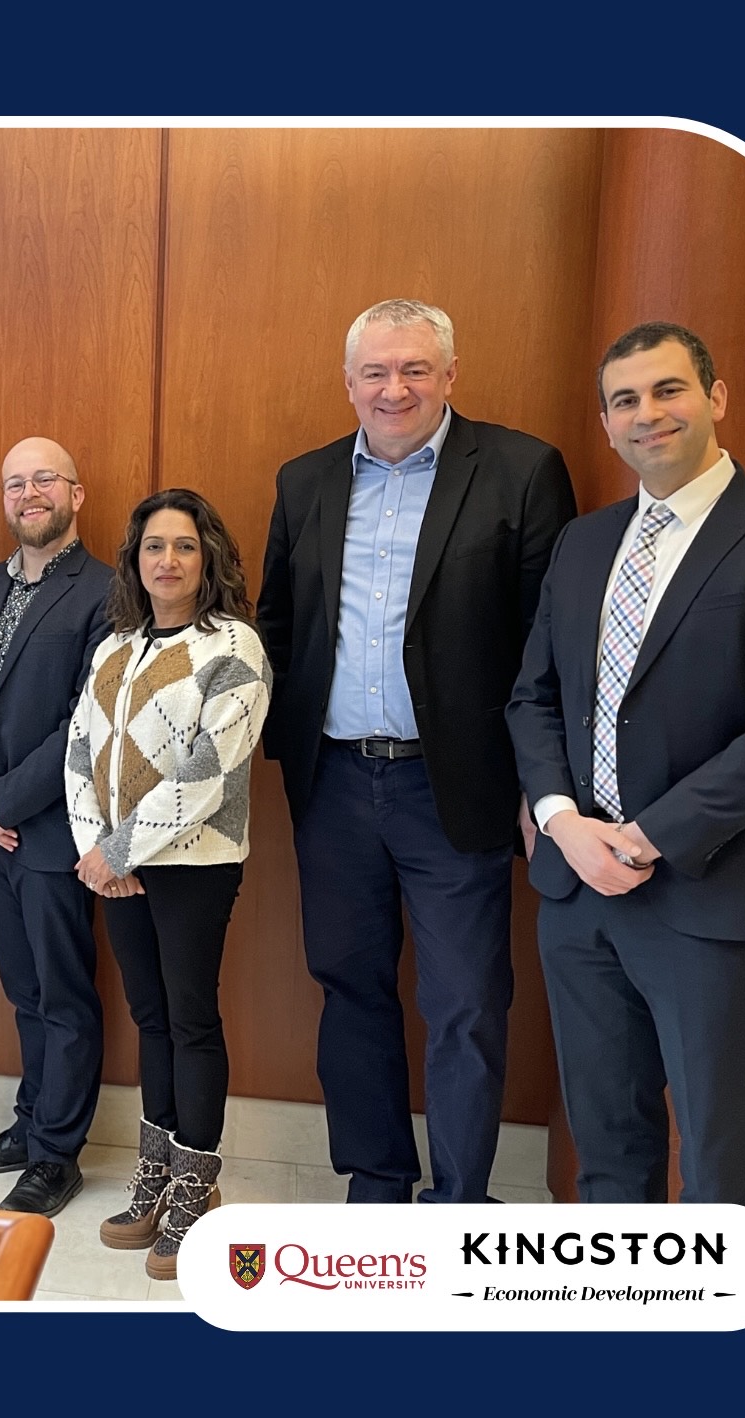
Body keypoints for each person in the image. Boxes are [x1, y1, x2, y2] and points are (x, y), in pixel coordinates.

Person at [256, 298, 577, 1204]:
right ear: (348, 381)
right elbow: (278, 623)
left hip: (459, 789)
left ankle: (461, 1197)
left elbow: (546, 643)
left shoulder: (520, 471)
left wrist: (538, 782)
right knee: (349, 987)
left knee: (467, 1003)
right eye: (376, 371)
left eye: (414, 369)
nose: (394, 388)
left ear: (449, 374)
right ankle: (378, 1177)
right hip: (335, 784)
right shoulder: (305, 480)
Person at [507, 322, 745, 1210]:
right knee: (605, 1144)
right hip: (578, 896)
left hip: (712, 893)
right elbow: (532, 699)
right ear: (607, 424)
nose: (648, 414)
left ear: (715, 398)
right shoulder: (583, 544)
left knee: (722, 1156)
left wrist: (643, 839)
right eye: (625, 400)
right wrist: (566, 823)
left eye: (668, 390)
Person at [66, 488, 268, 1281]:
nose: (169, 561)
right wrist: (98, 851)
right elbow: (82, 750)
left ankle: (196, 1182)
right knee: (148, 1018)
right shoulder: (116, 648)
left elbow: (208, 771)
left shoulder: (235, 649)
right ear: (136, 559)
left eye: (184, 546)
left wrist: (119, 851)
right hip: (118, 866)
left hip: (197, 863)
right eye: (154, 546)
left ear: (207, 556)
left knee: (190, 1020)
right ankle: (153, 1170)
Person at [0, 436, 111, 1217]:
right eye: (15, 482)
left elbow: (86, 723)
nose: (29, 492)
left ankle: (55, 1155)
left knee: (64, 996)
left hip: (50, 836)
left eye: (45, 478)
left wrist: (4, 804)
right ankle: (29, 1124)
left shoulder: (108, 591)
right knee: (23, 992)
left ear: (76, 494)